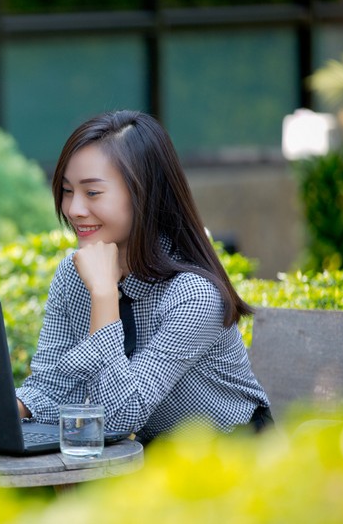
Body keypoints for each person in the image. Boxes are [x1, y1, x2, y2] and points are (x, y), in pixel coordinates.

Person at [15, 110, 272, 444]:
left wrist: (105, 295)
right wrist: (2, 410)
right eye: (67, 190)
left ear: (143, 194)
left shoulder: (194, 294)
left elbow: (119, 416)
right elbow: (53, 386)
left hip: (231, 462)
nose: (74, 209)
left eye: (92, 193)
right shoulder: (74, 273)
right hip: (147, 464)